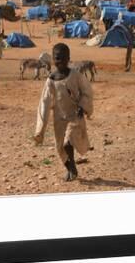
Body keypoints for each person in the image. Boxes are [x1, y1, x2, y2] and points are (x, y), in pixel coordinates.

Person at [33, 43, 93, 182]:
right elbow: (45, 102)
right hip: (59, 118)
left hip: (74, 116)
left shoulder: (76, 75)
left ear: (68, 59)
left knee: (68, 141)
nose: (60, 61)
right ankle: (70, 168)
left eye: (63, 58)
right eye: (57, 58)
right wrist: (40, 130)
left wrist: (83, 106)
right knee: (60, 147)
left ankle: (72, 168)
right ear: (53, 59)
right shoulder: (51, 80)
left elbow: (87, 91)